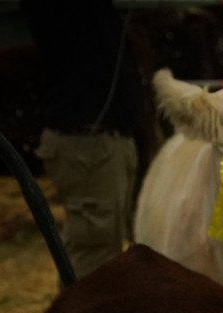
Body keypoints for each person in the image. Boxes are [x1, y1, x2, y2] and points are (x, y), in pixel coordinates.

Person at [21, 0, 140, 278]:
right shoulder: (69, 12)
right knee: (94, 256)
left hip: (99, 139)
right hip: (88, 144)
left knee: (104, 248)